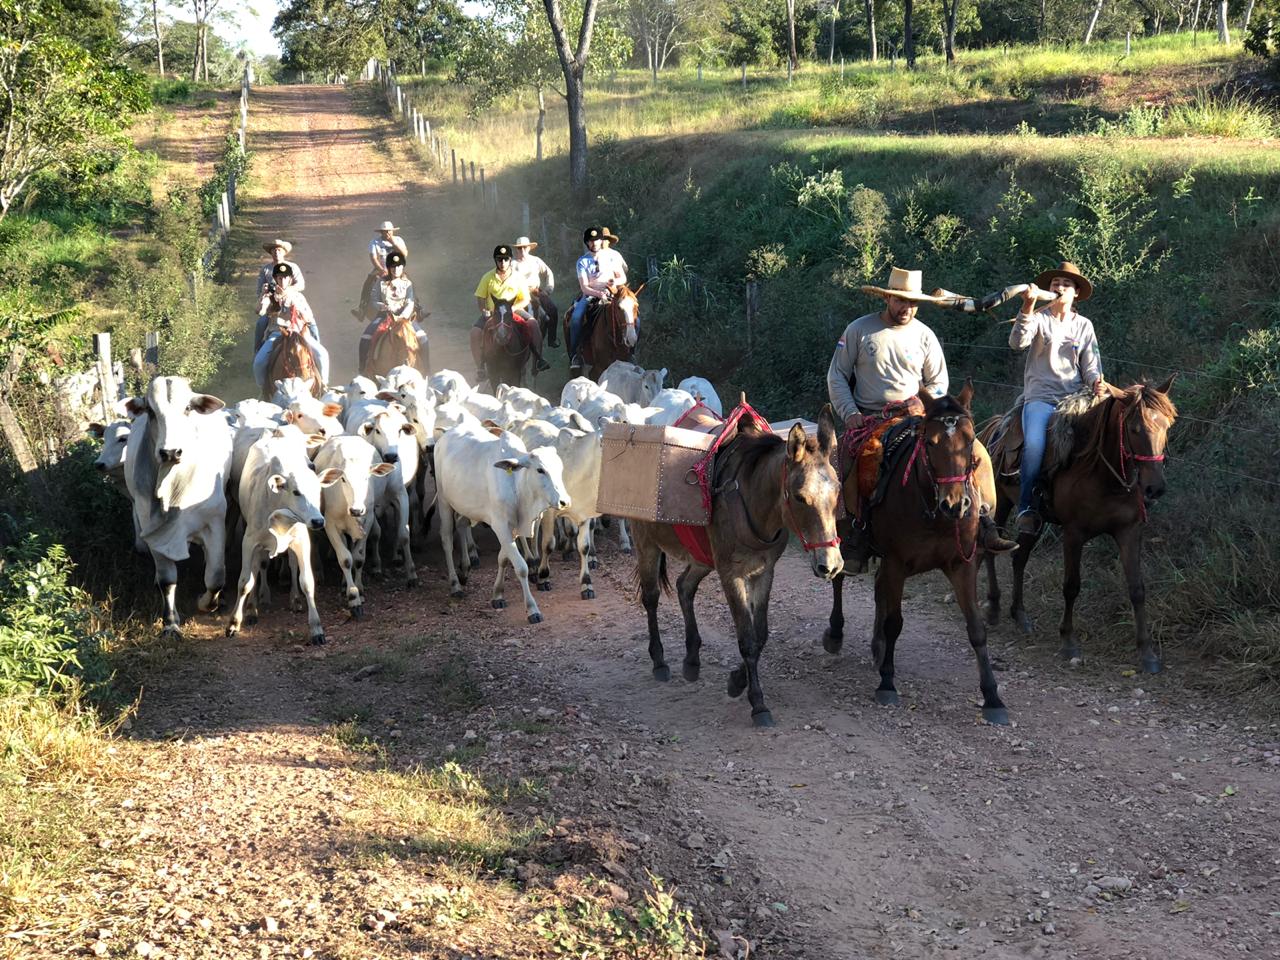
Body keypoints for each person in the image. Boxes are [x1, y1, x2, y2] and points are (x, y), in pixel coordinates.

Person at [827, 266, 1016, 570]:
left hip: (919, 414)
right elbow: (837, 375)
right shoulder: (859, 330)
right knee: (852, 459)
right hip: (871, 417)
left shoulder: (924, 335)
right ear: (888, 298)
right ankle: (855, 532)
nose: (906, 308)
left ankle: (983, 522)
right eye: (900, 301)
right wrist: (849, 413)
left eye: (913, 302)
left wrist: (927, 404)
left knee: (973, 452)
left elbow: (939, 381)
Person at [1008, 260, 1105, 535]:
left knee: (1099, 441)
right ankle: (1026, 506)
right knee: (1035, 445)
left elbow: (1091, 364)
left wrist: (1096, 381)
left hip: (1075, 400)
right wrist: (1027, 306)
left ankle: (1095, 504)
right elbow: (1017, 343)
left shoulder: (1084, 325)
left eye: (1066, 284)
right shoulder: (1039, 317)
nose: (1060, 288)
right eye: (1055, 284)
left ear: (1076, 293)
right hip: (1040, 397)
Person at [470, 244, 548, 383]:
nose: (503, 262)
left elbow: (525, 299)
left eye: (506, 259)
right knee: (475, 332)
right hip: (494, 312)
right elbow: (480, 297)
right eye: (500, 259)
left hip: (514, 310)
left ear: (510, 259)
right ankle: (480, 367)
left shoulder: (518, 277)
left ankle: (538, 360)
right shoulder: (487, 277)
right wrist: (484, 310)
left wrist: (512, 308)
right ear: (495, 260)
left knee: (534, 324)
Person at [254, 262, 330, 388]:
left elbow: (309, 318)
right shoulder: (270, 296)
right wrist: (263, 295)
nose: (282, 280)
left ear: (290, 279)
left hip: (299, 334)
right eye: (279, 277)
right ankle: (263, 389)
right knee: (259, 362)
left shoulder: (299, 296)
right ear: (275, 279)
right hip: (277, 334)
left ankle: (324, 385)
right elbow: (259, 311)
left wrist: (297, 309)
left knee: (322, 354)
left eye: (285, 277)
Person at [567, 226, 627, 374]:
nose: (593, 243)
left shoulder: (612, 257)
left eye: (596, 240)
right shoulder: (582, 261)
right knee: (576, 317)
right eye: (590, 241)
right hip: (590, 295)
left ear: (602, 241)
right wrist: (598, 294)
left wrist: (614, 283)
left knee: (631, 314)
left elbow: (623, 277)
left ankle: (630, 349)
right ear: (587, 243)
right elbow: (584, 287)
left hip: (611, 292)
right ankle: (576, 354)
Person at [358, 249, 430, 374]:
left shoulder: (408, 283)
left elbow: (410, 302)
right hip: (385, 316)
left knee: (423, 339)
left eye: (399, 267)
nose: (396, 270)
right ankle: (363, 368)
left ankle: (426, 369)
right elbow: (374, 299)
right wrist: (381, 306)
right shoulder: (380, 282)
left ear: (402, 267)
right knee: (365, 338)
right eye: (393, 267)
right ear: (389, 268)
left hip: (404, 318)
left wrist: (402, 317)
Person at [254, 239, 304, 352]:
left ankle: (315, 341)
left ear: (284, 252)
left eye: (279, 250)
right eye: (274, 250)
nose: (276, 252)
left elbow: (301, 284)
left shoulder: (293, 267)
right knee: (261, 322)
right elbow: (259, 291)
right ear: (271, 253)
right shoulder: (266, 269)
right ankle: (257, 349)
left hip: (292, 299)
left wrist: (286, 291)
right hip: (272, 304)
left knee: (310, 321)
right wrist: (265, 294)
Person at [355, 221, 409, 321]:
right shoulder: (375, 242)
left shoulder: (398, 240)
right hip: (380, 268)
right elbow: (373, 257)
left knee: (410, 283)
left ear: (393, 231)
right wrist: (381, 269)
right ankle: (361, 308)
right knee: (368, 283)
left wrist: (393, 243)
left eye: (389, 231)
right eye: (385, 231)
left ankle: (418, 308)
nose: (388, 233)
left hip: (397, 269)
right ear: (381, 232)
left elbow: (404, 254)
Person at [511, 236, 558, 348]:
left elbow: (548, 273)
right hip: (519, 294)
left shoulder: (536, 260)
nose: (522, 250)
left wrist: (548, 289)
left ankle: (552, 339)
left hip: (536, 292)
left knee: (553, 310)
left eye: (524, 247)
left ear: (529, 248)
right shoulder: (512, 264)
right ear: (516, 249)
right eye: (519, 248)